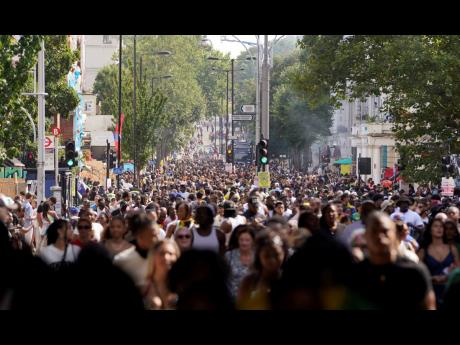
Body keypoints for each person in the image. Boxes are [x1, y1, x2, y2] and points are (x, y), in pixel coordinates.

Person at [350, 211, 435, 309]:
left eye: (385, 231)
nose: (380, 236)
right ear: (365, 236)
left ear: (395, 234)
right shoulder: (356, 274)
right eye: (374, 231)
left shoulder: (414, 272)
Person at [237, 229, 288, 310]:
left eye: (276, 254)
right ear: (258, 255)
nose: (272, 260)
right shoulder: (249, 282)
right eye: (267, 255)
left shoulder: (290, 281)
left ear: (284, 253)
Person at [418, 218, 460, 308]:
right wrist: (431, 278)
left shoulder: (452, 249)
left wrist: (448, 276)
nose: (439, 229)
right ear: (430, 230)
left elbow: (458, 270)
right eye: (436, 226)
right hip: (430, 292)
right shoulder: (423, 251)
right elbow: (418, 275)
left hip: (450, 291)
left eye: (441, 226)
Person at [113, 212, 159, 291]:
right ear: (140, 236)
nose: (157, 239)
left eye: (157, 235)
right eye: (154, 235)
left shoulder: (163, 257)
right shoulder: (121, 261)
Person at [144, 240, 180, 309]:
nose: (166, 257)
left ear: (177, 257)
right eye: (161, 253)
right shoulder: (143, 288)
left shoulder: (183, 287)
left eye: (170, 253)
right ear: (153, 257)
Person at [225, 226, 256, 298]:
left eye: (247, 240)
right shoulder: (229, 255)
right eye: (241, 240)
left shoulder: (259, 257)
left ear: (253, 241)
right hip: (232, 300)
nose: (244, 243)